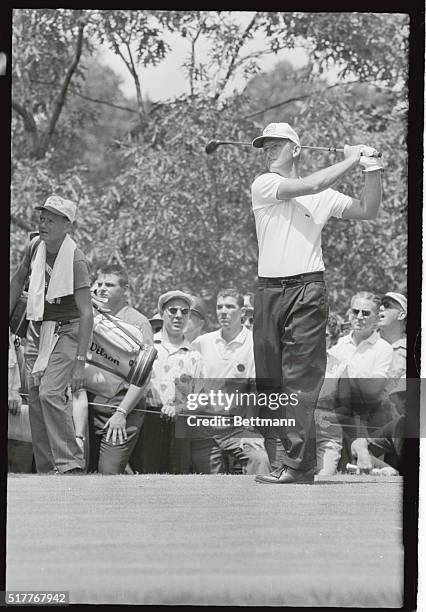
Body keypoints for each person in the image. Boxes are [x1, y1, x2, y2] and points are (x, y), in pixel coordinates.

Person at [250, 122, 384, 484]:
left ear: (296, 148)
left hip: (307, 289)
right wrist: (352, 159)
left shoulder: (323, 195)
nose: (268, 151)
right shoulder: (265, 184)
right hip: (268, 292)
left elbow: (368, 209)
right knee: (270, 380)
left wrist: (371, 167)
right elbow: (310, 184)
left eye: (276, 144)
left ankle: (297, 465)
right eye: (265, 146)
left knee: (300, 379)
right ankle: (284, 461)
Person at [9, 195, 93, 474]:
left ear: (67, 225)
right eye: (42, 218)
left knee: (49, 393)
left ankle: (70, 464)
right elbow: (19, 278)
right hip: (37, 329)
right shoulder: (35, 246)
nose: (43, 224)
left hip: (68, 331)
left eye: (51, 220)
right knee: (34, 397)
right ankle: (46, 469)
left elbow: (86, 313)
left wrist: (80, 362)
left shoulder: (76, 260)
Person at [191, 288, 271, 475]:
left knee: (260, 460)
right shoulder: (202, 343)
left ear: (242, 312)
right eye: (219, 307)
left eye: (229, 306)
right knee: (207, 485)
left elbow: (255, 392)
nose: (223, 311)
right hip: (205, 428)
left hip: (238, 427)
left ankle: (263, 504)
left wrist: (250, 430)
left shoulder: (255, 344)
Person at [83, 266, 154, 474]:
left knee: (109, 472)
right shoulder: (90, 315)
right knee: (85, 472)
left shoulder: (139, 322)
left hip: (122, 409)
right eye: (100, 283)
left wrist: (121, 413)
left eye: (110, 285)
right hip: (90, 404)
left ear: (125, 289)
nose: (103, 288)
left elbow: (144, 375)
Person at [143, 290, 204, 473]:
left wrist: (179, 407)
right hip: (148, 422)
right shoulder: (147, 347)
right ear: (162, 314)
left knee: (178, 479)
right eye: (173, 310)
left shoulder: (195, 356)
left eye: (184, 312)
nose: (178, 316)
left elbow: (199, 398)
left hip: (179, 428)